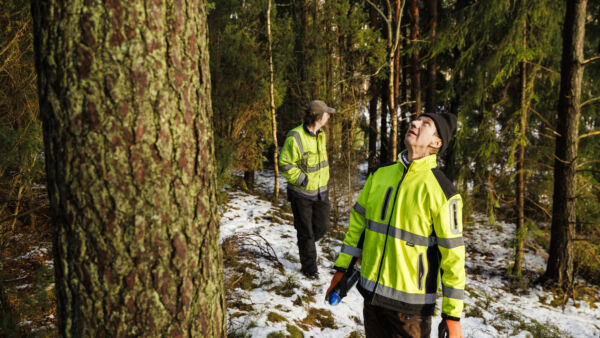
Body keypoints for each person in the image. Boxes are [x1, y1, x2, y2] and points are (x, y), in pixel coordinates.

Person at [326, 113, 465, 338]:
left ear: (436, 143)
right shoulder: (380, 175)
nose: (415, 123)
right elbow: (357, 229)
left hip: (411, 312)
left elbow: (453, 258)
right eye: (416, 120)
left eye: (425, 124)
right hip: (372, 299)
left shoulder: (443, 191)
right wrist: (343, 269)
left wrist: (452, 316)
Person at [279, 100, 334, 279]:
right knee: (306, 233)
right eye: (327, 114)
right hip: (301, 193)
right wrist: (303, 180)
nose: (329, 116)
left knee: (322, 226)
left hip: (320, 191)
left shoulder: (321, 135)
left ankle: (306, 243)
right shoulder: (294, 137)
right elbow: (285, 164)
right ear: (319, 117)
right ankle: (310, 269)